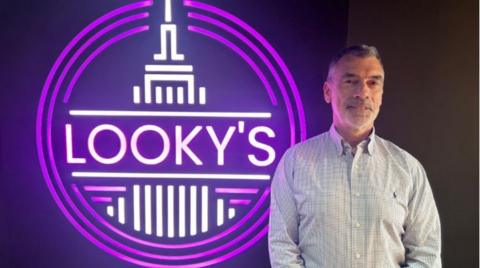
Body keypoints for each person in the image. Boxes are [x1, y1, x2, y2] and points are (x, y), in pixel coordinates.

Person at [268, 45, 441, 267]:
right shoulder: (294, 163)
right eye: (350, 81)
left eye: (373, 82)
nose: (363, 93)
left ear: (381, 95)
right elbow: (282, 247)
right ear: (328, 92)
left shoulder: (408, 168)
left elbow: (426, 253)